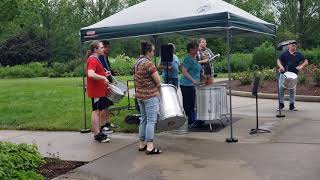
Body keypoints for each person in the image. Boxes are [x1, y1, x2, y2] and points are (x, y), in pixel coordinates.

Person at [134, 40, 162, 155]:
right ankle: (150, 146)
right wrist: (160, 91)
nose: (154, 53)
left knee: (143, 119)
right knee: (151, 121)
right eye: (153, 51)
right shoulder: (149, 64)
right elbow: (158, 81)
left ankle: (142, 144)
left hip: (140, 96)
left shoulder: (137, 62)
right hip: (150, 96)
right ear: (149, 51)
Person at [86, 41, 110, 143]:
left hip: (99, 91)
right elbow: (90, 74)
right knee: (96, 112)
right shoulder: (92, 60)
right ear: (95, 49)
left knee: (98, 111)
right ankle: (97, 135)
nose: (103, 49)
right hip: (96, 91)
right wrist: (103, 78)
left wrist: (104, 74)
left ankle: (98, 132)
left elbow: (96, 73)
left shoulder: (96, 59)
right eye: (101, 47)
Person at [277, 40, 308, 111]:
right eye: (292, 44)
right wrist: (281, 67)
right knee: (281, 89)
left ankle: (292, 105)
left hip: (294, 75)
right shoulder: (284, 54)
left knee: (292, 90)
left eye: (295, 45)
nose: (293, 46)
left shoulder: (299, 54)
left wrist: (301, 66)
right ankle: (281, 104)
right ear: (288, 46)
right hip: (284, 74)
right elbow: (278, 60)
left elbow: (306, 61)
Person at [180, 41, 202, 126]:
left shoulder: (194, 58)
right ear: (190, 49)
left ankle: (193, 120)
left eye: (197, 48)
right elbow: (184, 71)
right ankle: (190, 120)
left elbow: (195, 70)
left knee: (193, 103)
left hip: (193, 85)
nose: (197, 50)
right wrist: (193, 80)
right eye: (195, 48)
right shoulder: (188, 59)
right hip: (186, 85)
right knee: (188, 103)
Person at [98, 40, 114, 135]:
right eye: (107, 47)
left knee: (107, 105)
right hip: (103, 84)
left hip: (108, 82)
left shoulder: (105, 56)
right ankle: (102, 126)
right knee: (103, 106)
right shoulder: (99, 57)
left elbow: (107, 68)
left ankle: (107, 123)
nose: (108, 49)